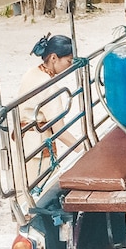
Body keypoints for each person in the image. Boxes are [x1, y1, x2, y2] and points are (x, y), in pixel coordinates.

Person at [17, 34, 78, 182]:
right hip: (37, 148)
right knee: (43, 191)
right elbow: (60, 131)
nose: (70, 65)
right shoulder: (50, 87)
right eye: (68, 61)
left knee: (24, 189)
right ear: (53, 58)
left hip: (22, 142)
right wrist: (86, 149)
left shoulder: (32, 72)